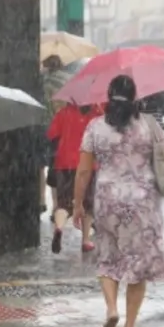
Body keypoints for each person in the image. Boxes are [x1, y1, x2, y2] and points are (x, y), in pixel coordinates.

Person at [73, 75, 164, 327]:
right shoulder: (149, 125)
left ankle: (111, 309)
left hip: (107, 201)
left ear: (108, 95)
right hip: (143, 204)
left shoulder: (95, 127)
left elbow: (83, 171)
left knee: (108, 257)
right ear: (135, 97)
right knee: (137, 266)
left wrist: (77, 204)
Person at [47, 102, 101, 253]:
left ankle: (58, 228)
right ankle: (85, 241)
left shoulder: (63, 113)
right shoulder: (97, 115)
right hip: (88, 163)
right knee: (88, 203)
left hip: (64, 163)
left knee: (63, 203)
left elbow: (51, 135)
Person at [42, 54, 72, 214]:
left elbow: (44, 109)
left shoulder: (44, 83)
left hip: (53, 129)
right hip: (71, 127)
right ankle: (67, 202)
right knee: (70, 168)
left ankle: (56, 207)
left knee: (55, 169)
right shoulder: (71, 80)